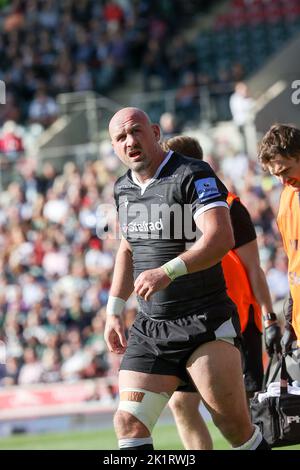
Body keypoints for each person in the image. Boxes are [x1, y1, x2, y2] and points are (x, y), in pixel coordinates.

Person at [104, 107, 270, 450]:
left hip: (204, 320)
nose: (130, 141)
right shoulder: (121, 189)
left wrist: (168, 271)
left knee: (235, 428)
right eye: (121, 138)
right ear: (114, 147)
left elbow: (221, 238)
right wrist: (113, 310)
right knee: (128, 422)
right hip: (151, 327)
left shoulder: (193, 173)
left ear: (154, 132)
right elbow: (125, 250)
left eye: (136, 131)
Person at [161, 135, 281, 450]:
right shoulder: (171, 209)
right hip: (190, 322)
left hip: (238, 322)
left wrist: (269, 318)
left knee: (242, 414)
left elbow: (254, 269)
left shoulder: (229, 207)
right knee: (181, 405)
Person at [258, 124, 300, 355]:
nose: (282, 181)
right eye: (276, 175)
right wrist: (291, 323)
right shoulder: (285, 200)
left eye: (285, 171)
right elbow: (295, 267)